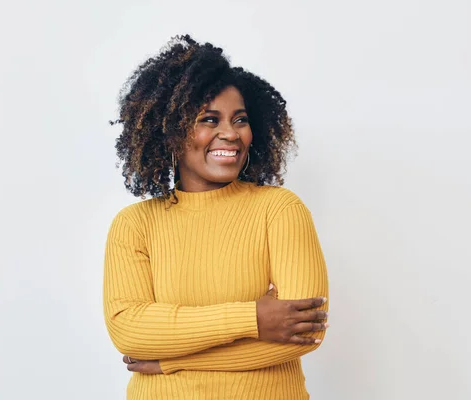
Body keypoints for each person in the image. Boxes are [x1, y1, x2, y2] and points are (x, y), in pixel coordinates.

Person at [104, 34, 329, 400]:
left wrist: (168, 361)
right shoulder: (135, 224)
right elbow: (130, 333)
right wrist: (253, 319)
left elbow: (303, 334)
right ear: (171, 129)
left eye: (239, 120)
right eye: (210, 119)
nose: (230, 133)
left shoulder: (280, 209)